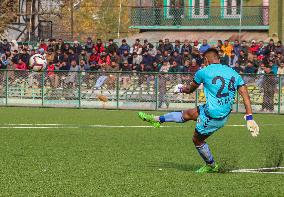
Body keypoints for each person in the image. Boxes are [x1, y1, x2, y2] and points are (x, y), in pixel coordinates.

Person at [138, 48, 259, 173]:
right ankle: (156, 120)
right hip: (221, 111)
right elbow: (245, 94)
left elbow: (190, 90)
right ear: (218, 58)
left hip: (214, 116)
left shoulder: (203, 72)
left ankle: (211, 165)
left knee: (197, 140)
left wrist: (180, 89)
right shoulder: (233, 72)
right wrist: (249, 117)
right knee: (188, 114)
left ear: (206, 60)